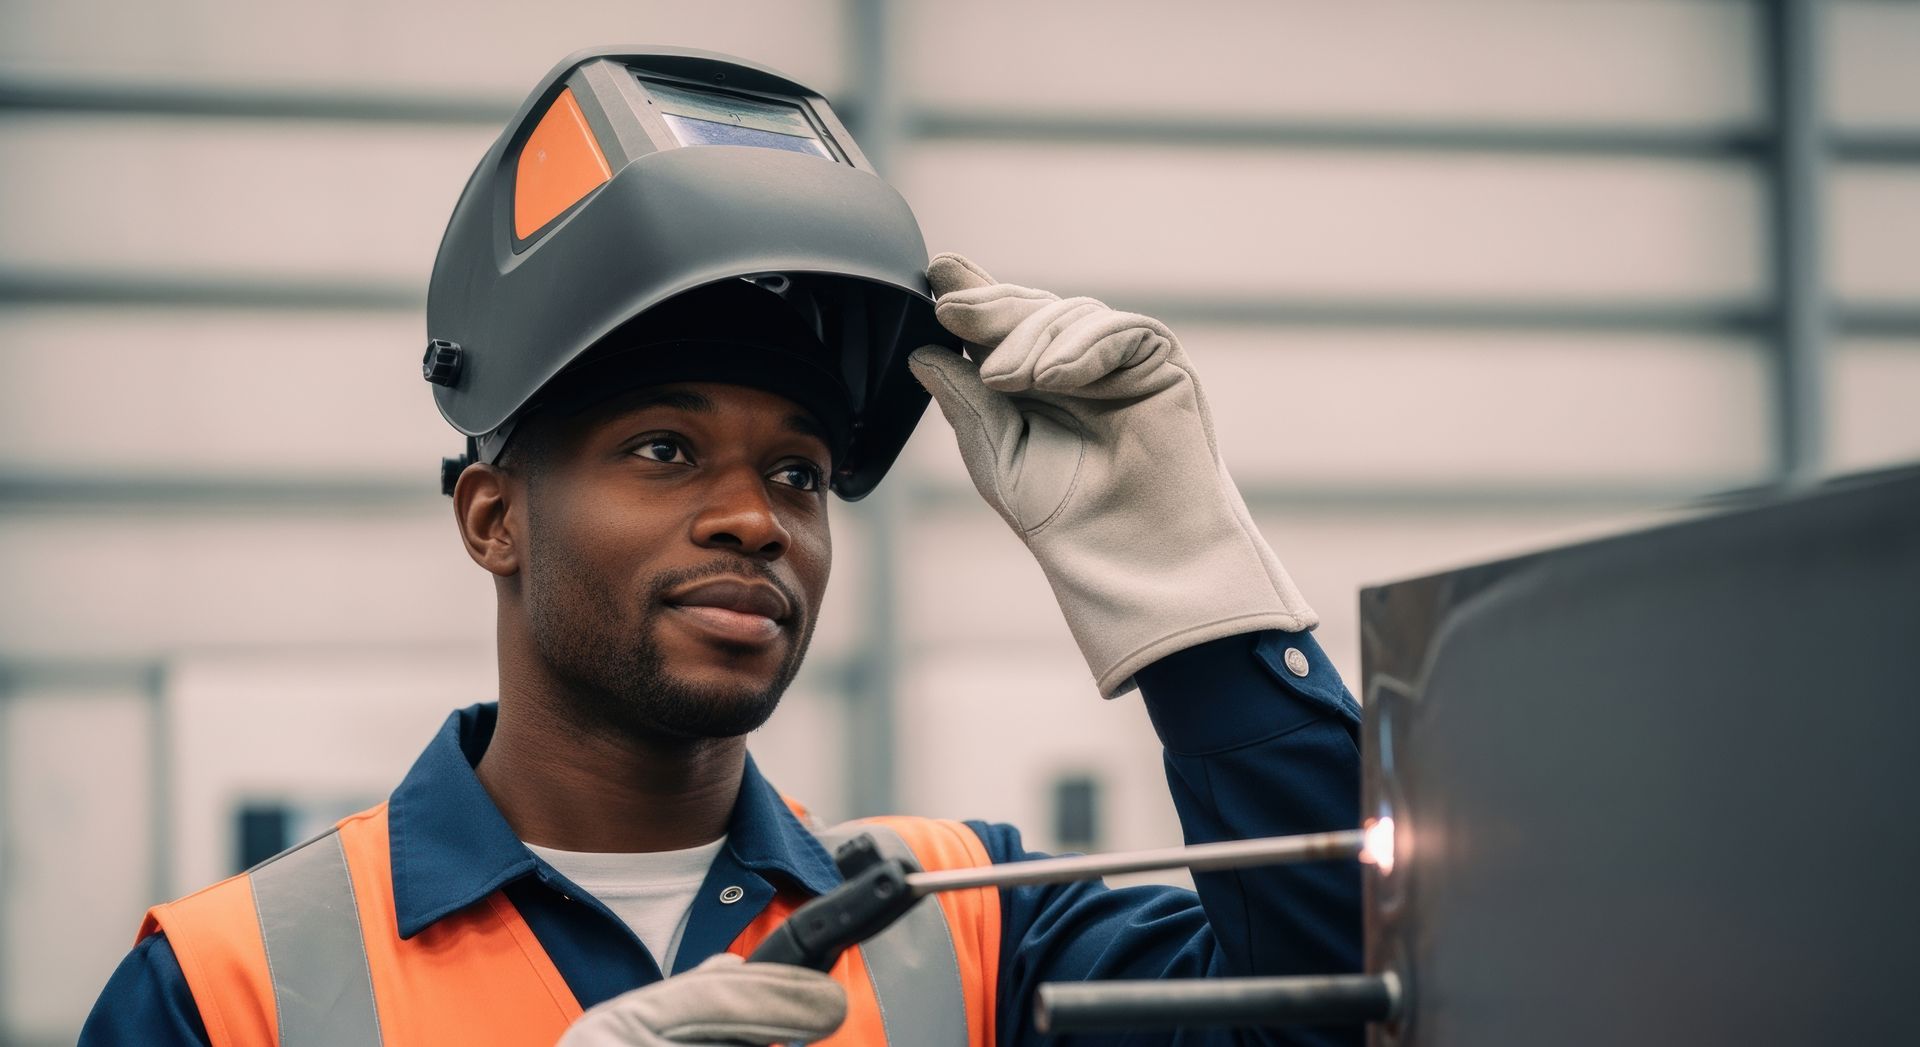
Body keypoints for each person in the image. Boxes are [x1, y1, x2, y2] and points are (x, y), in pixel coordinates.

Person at [81, 49, 1361, 1047]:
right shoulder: (227, 986)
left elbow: (1345, 999)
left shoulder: (968, 923)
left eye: (799, 472)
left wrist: (1187, 587)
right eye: (663, 450)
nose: (758, 517)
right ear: (494, 518)